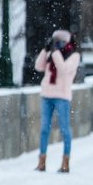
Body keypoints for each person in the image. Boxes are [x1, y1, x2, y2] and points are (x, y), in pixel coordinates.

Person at [34, 30, 81, 173]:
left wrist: (54, 52)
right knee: (44, 130)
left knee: (65, 129)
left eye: (60, 42)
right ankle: (42, 162)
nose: (58, 44)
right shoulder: (53, 54)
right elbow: (38, 66)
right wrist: (45, 49)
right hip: (47, 94)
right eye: (56, 41)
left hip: (62, 96)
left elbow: (63, 69)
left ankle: (65, 163)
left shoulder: (74, 55)